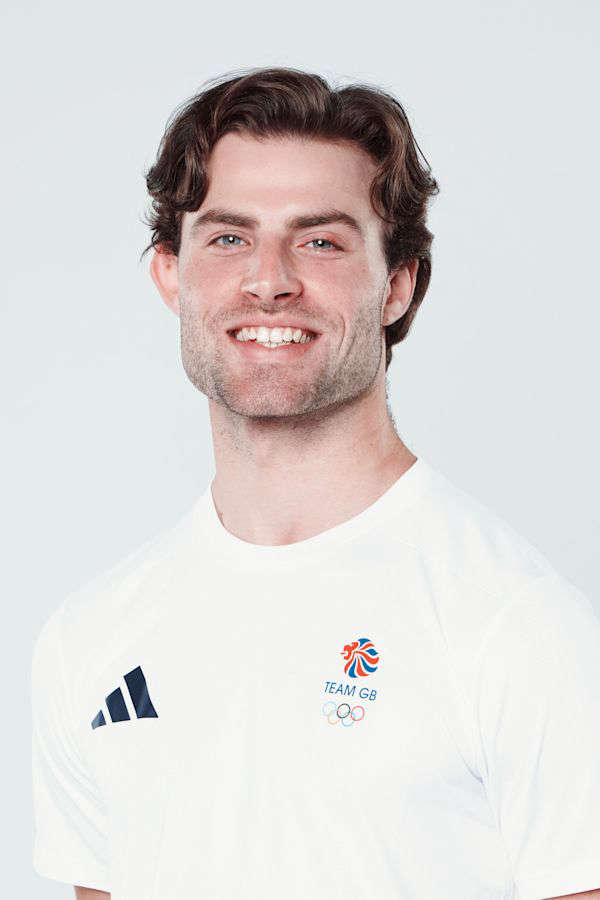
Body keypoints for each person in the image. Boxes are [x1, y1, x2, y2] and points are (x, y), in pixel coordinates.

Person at [31, 66, 600, 900]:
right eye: (228, 238)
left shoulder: (515, 624)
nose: (269, 279)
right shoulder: (90, 636)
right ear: (170, 275)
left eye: (321, 241)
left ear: (397, 285)